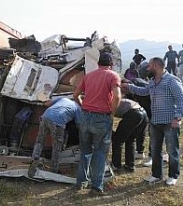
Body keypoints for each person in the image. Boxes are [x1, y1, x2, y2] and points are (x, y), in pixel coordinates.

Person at [122, 57, 183, 186]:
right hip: (155, 122)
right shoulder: (152, 82)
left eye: (149, 66)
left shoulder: (172, 81)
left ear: (155, 66)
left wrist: (177, 118)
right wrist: (129, 86)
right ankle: (156, 175)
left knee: (172, 151)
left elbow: (181, 99)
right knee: (155, 150)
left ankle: (173, 175)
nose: (147, 69)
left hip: (170, 123)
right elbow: (144, 92)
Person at [73, 52, 121, 194]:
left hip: (85, 116)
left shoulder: (88, 76)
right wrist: (112, 114)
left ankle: (81, 182)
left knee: (85, 151)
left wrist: (82, 106)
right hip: (102, 118)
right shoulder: (113, 76)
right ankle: (96, 187)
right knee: (100, 152)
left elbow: (75, 95)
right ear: (111, 64)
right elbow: (117, 96)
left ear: (98, 63)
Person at [28, 97, 82, 177]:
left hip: (45, 117)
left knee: (39, 141)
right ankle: (54, 169)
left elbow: (47, 103)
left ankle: (35, 159)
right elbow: (79, 125)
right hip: (57, 123)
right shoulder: (78, 108)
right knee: (57, 147)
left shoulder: (63, 98)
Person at [111, 98, 148, 172]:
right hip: (143, 113)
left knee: (117, 140)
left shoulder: (102, 102)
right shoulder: (112, 98)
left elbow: (107, 120)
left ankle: (116, 165)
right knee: (130, 139)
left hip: (133, 114)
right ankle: (130, 165)